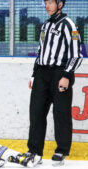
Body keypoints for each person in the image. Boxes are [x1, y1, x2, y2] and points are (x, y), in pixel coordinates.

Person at [27, 0, 83, 166]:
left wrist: (66, 75)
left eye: (50, 2)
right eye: (45, 3)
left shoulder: (69, 25)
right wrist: (34, 74)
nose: (47, 6)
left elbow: (76, 54)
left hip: (60, 73)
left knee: (61, 113)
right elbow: (41, 51)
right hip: (42, 74)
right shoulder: (45, 25)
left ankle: (61, 150)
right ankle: (34, 151)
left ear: (60, 4)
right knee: (36, 112)